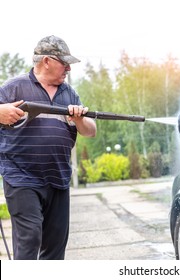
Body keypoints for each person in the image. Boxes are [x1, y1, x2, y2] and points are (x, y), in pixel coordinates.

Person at [0, 35, 97, 259]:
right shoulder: (15, 87)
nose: (68, 69)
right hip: (21, 178)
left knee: (55, 248)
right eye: (64, 63)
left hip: (58, 178)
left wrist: (79, 119)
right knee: (30, 237)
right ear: (46, 61)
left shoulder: (69, 93)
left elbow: (90, 131)